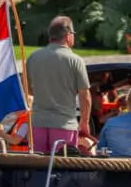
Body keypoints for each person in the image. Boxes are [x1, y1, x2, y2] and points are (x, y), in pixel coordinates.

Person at [25, 16, 91, 153]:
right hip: (64, 124)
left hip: (37, 124)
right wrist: (84, 122)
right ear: (68, 36)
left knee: (38, 167)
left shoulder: (33, 58)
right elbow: (85, 96)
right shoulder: (76, 61)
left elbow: (27, 90)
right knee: (62, 168)